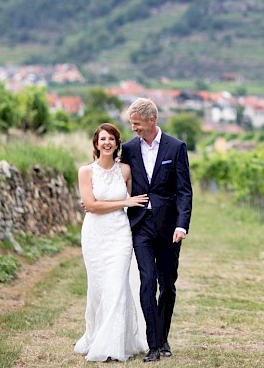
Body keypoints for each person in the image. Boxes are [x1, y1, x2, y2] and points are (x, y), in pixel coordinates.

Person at [120, 98, 193, 362]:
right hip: (140, 224)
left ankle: (163, 338)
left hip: (169, 226)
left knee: (167, 284)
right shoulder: (128, 149)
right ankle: (153, 344)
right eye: (131, 124)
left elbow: (184, 190)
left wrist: (182, 224)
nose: (133, 128)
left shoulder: (176, 147)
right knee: (147, 281)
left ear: (152, 120)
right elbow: (116, 176)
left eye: (137, 124)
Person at [74, 123, 149, 363]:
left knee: (118, 285)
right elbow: (92, 205)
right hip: (95, 235)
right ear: (96, 143)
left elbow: (133, 202)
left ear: (117, 144)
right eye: (102, 138)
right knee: (98, 289)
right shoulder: (86, 172)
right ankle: (96, 336)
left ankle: (113, 344)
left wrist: (127, 204)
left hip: (120, 235)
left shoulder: (125, 170)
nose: (107, 142)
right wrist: (125, 202)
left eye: (112, 139)